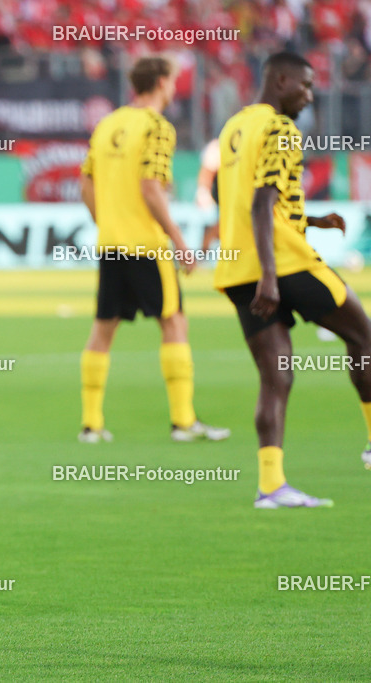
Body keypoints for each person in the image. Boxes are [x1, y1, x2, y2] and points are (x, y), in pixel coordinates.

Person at [214, 51, 371, 508]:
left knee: (276, 376)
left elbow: (230, 195)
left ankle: (271, 485)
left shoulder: (234, 128)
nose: (309, 95)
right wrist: (271, 276)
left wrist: (314, 219)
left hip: (238, 267)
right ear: (280, 81)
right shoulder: (282, 128)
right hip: (283, 265)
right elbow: (262, 203)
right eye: (304, 86)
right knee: (364, 336)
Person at [78, 55, 230, 444]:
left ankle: (91, 425)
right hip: (148, 245)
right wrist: (180, 243)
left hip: (111, 244)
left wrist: (107, 223)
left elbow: (86, 185)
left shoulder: (108, 123)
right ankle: (183, 421)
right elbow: (150, 188)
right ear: (162, 82)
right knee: (174, 322)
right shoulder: (158, 126)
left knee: (102, 330)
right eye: (173, 80)